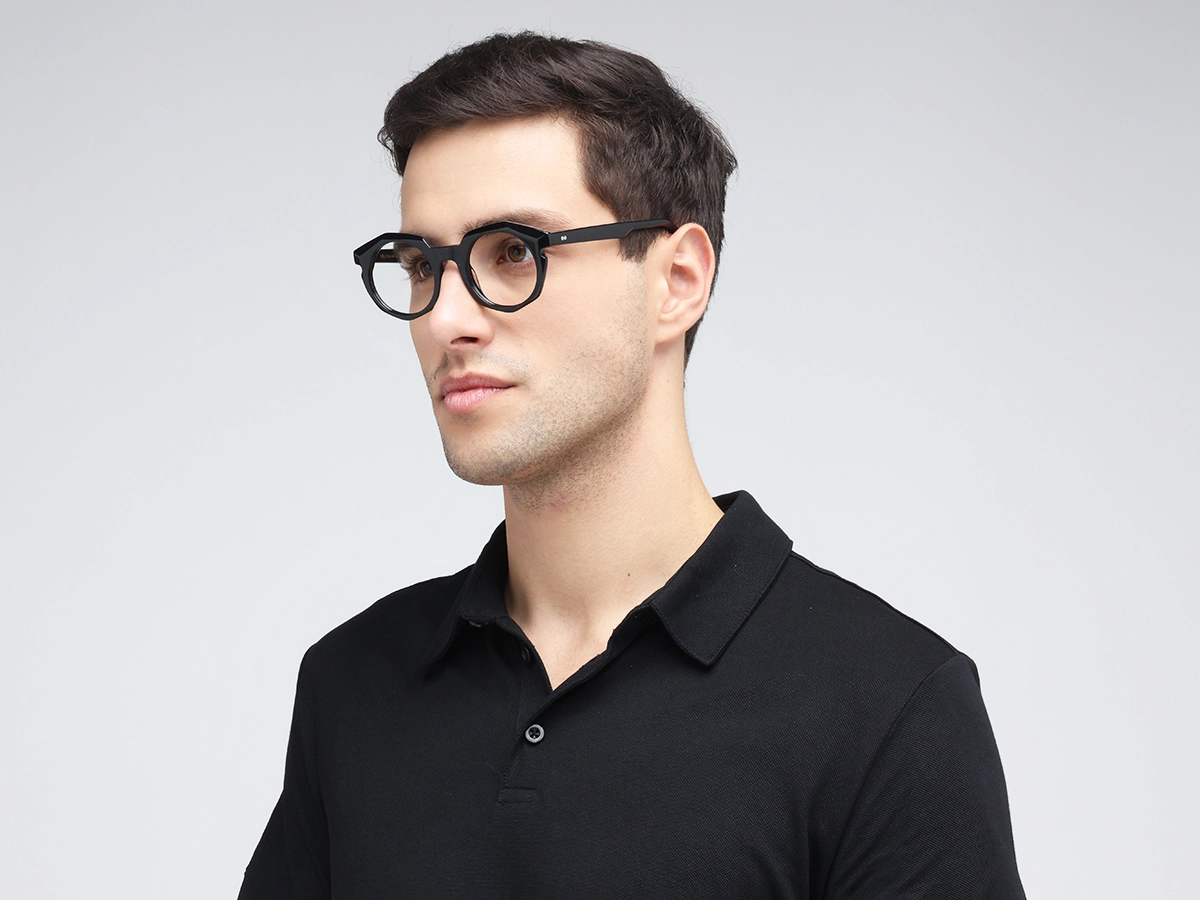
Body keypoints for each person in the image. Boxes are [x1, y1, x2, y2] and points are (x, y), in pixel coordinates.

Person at [238, 32, 1025, 899]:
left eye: (513, 251)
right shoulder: (353, 682)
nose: (445, 319)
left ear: (677, 279)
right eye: (424, 265)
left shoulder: (889, 705)